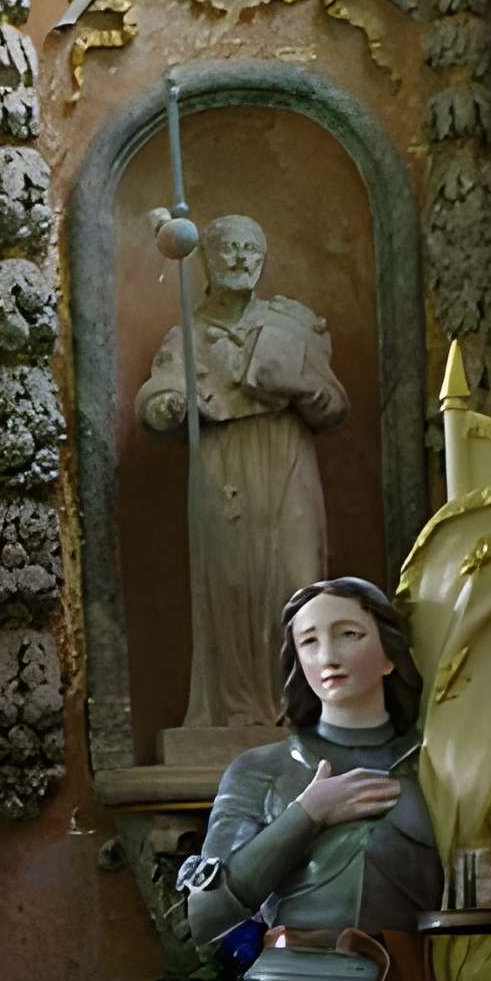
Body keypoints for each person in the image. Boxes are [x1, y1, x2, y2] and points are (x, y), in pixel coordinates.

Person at [182, 576, 451, 981]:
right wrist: (310, 812)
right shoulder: (262, 770)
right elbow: (207, 913)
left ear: (387, 653)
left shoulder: (441, 765)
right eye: (308, 641)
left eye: (347, 634)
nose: (326, 655)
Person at [140, 214, 351, 732]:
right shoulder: (188, 334)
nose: (239, 259)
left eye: (250, 251)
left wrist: (298, 383)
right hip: (221, 465)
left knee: (299, 581)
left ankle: (305, 711)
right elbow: (157, 394)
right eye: (228, 250)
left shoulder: (294, 325)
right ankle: (236, 714)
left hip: (286, 459)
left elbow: (334, 406)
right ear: (208, 261)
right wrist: (170, 404)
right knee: (230, 589)